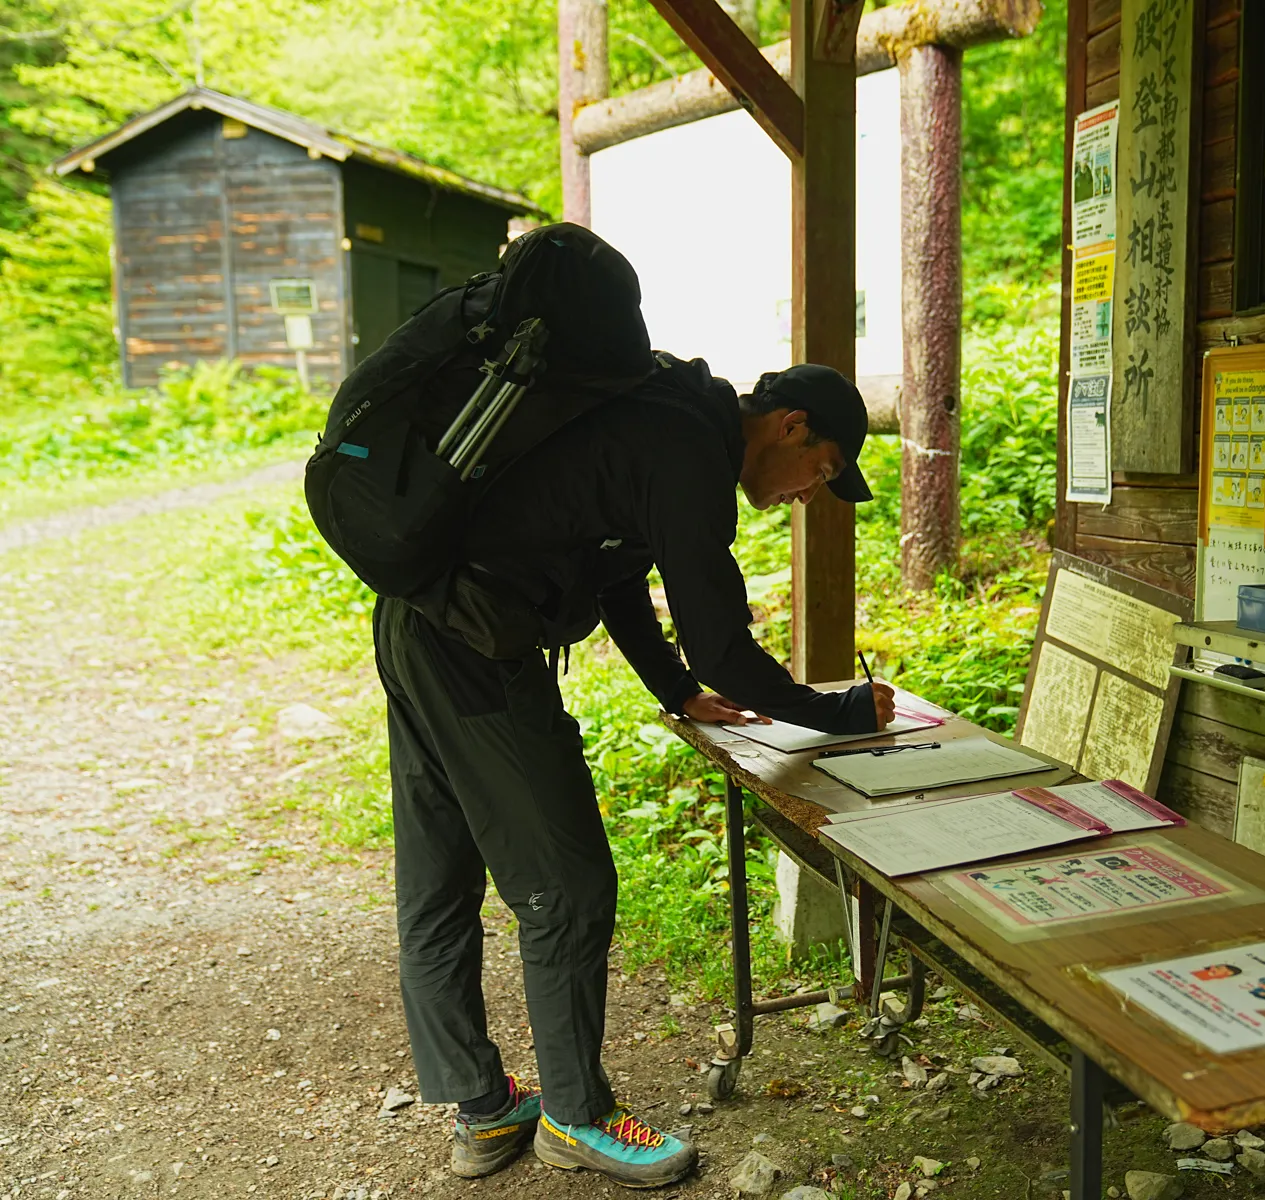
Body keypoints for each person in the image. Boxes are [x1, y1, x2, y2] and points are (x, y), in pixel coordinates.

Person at [372, 356, 896, 1186]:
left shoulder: (660, 417)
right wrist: (839, 711)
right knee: (570, 889)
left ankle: (482, 1109)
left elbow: (616, 575)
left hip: (417, 623)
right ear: (792, 425)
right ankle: (574, 1118)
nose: (806, 494)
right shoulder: (690, 450)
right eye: (820, 472)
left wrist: (676, 690)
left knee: (438, 881)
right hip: (477, 646)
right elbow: (724, 644)